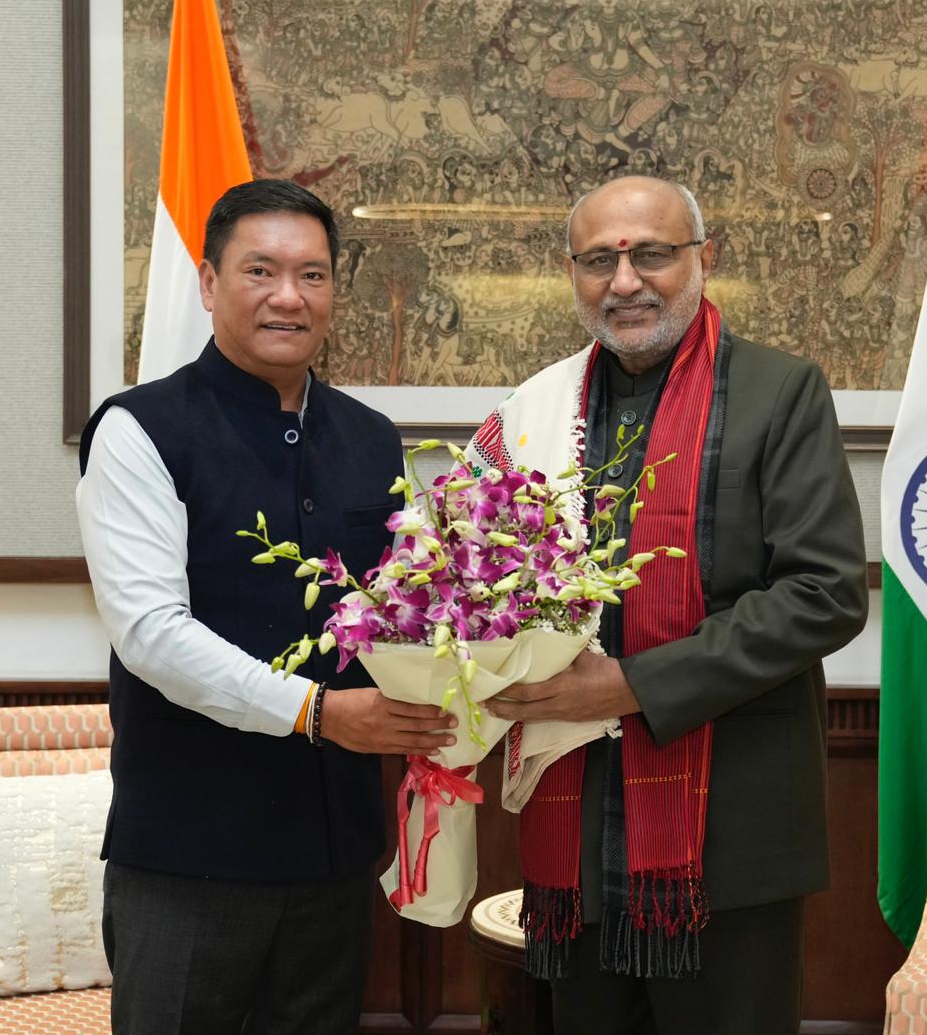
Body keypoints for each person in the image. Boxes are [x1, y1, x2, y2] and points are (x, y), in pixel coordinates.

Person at [476, 175, 868, 1034]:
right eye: (599, 261)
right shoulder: (539, 409)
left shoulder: (779, 392)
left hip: (730, 832)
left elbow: (824, 595)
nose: (625, 282)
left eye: (651, 254)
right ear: (572, 273)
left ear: (704, 258)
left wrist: (630, 686)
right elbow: (482, 572)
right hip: (574, 825)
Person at [76, 179, 456, 1035]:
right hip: (187, 858)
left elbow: (411, 604)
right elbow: (151, 634)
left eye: (312, 275)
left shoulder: (371, 436)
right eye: (261, 271)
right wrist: (317, 711)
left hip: (334, 856)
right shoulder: (138, 429)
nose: (289, 296)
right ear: (209, 283)